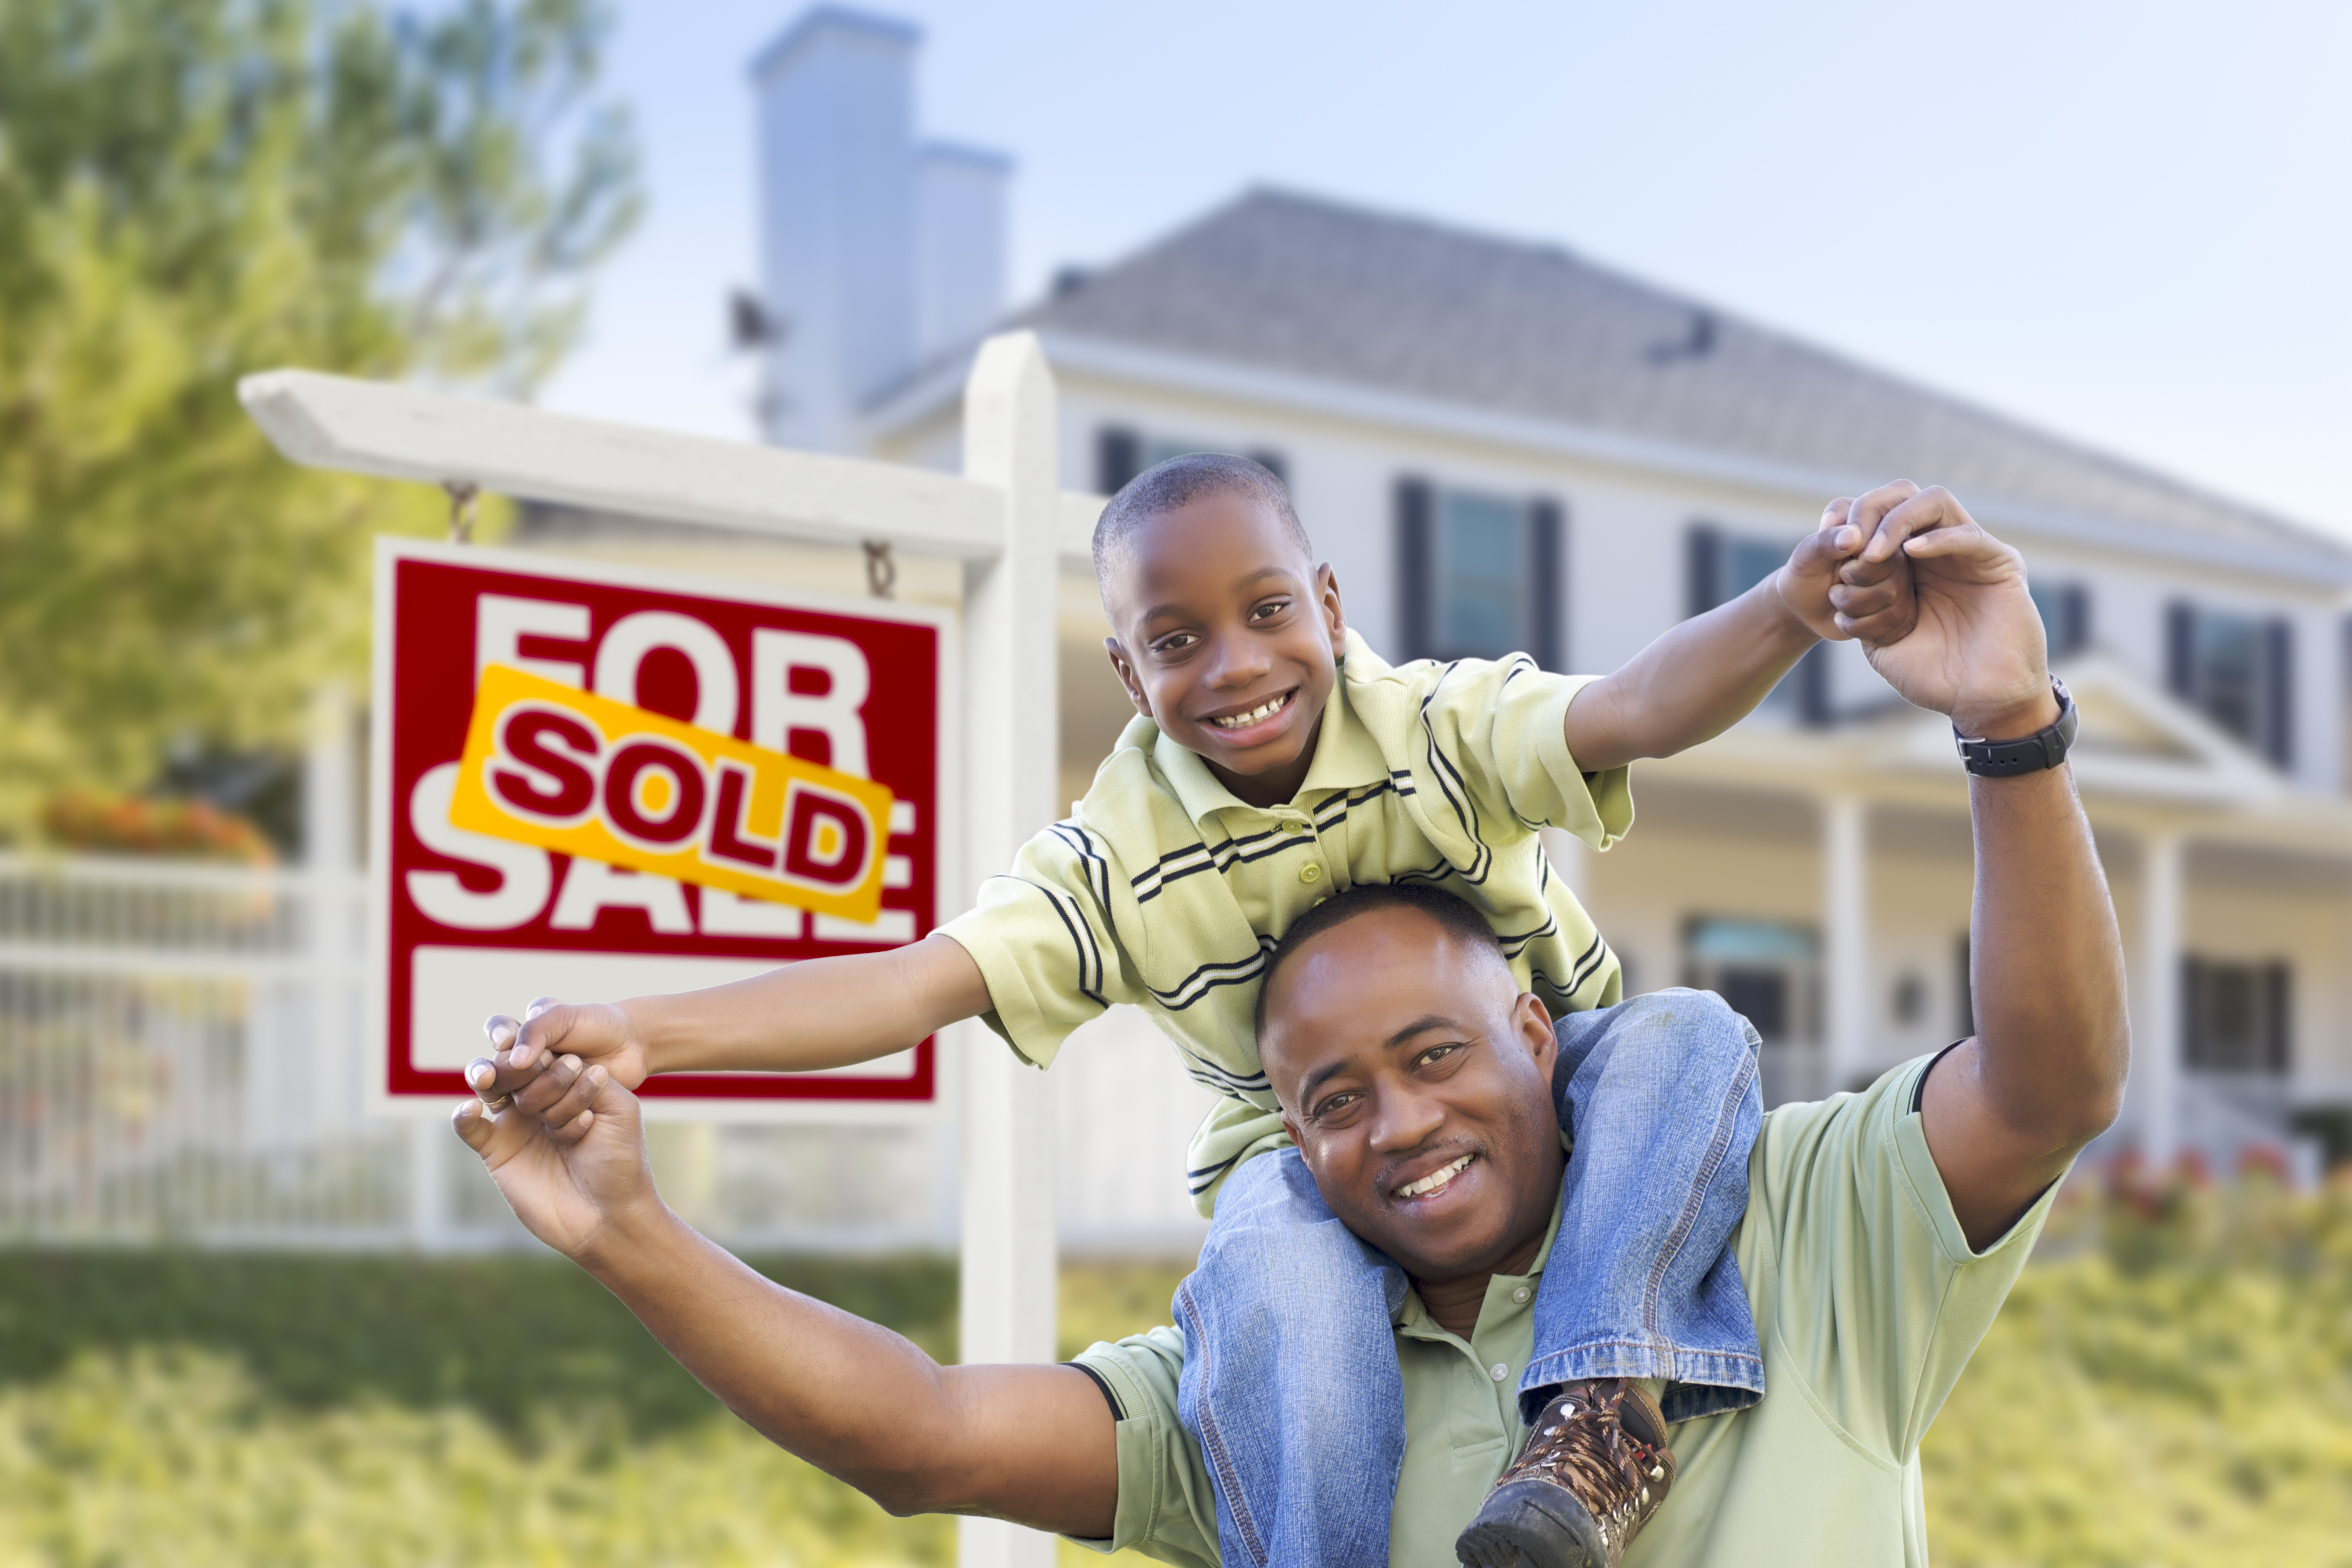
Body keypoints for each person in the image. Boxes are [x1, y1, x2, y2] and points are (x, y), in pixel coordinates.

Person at [454, 486, 2124, 1568]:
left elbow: (1637, 712)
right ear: (1126, 669)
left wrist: (1885, 660)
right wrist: (641, 1105)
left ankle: (1604, 1403)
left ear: (1327, 601)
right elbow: (914, 1035)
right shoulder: (1268, 1332)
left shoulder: (1792, 1227)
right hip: (1275, 1219)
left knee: (1687, 1028)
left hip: (1629, 1107)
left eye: (1435, 1058)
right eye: (1173, 640)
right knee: (1267, 1255)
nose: (1396, 1121)